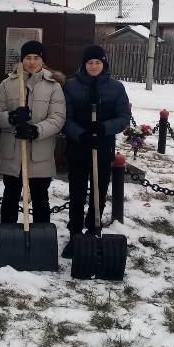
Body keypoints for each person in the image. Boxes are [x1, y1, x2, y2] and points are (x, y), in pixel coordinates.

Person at [61, 45, 131, 259]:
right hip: (78, 147)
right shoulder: (71, 86)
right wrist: (80, 135)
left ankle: (93, 231)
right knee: (77, 194)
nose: (93, 66)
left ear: (104, 64)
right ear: (84, 64)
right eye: (90, 62)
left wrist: (103, 128)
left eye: (97, 62)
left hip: (102, 148)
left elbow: (123, 118)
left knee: (98, 193)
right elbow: (65, 117)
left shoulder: (116, 88)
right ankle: (75, 234)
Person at [0, 40, 65, 224]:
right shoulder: (7, 84)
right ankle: (8, 237)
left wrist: (35, 130)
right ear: (22, 60)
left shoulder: (53, 86)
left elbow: (57, 118)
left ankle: (41, 236)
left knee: (40, 198)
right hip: (13, 153)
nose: (32, 62)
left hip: (40, 154)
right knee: (10, 197)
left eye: (36, 57)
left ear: (43, 61)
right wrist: (12, 118)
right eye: (28, 57)